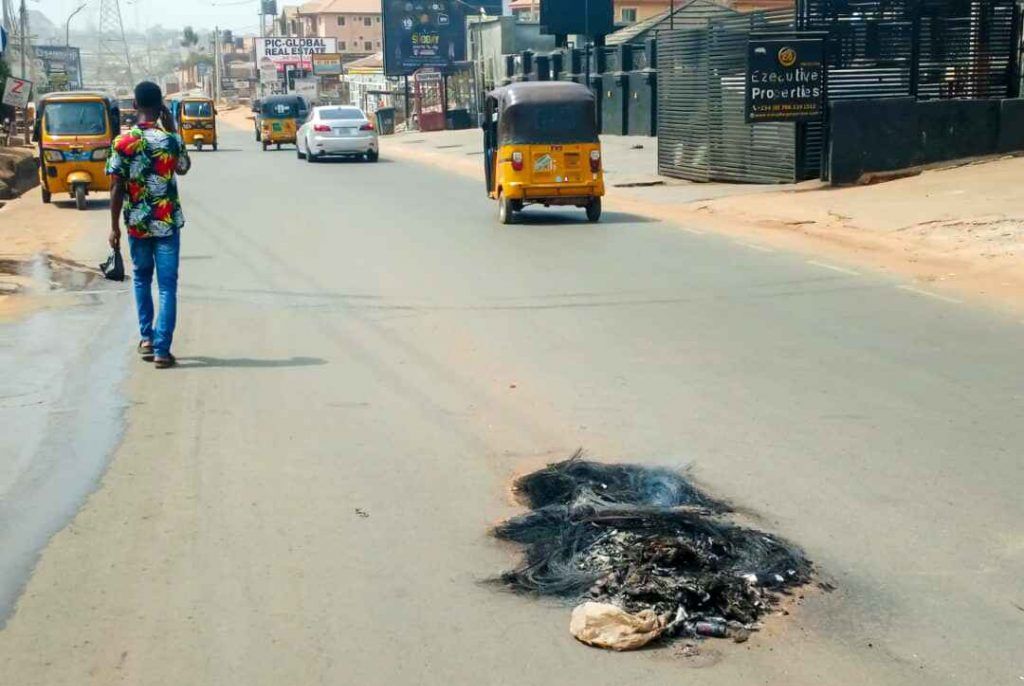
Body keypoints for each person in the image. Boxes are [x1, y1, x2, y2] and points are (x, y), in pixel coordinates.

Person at [106, 81, 191, 369]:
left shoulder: (122, 142)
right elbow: (183, 168)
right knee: (167, 287)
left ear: (135, 105)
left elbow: (116, 187)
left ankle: (146, 339)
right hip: (166, 224)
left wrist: (114, 227)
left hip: (137, 224)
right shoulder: (170, 141)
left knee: (142, 279)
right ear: (161, 106)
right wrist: (174, 129)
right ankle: (162, 351)